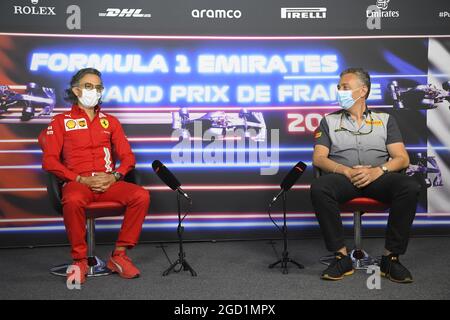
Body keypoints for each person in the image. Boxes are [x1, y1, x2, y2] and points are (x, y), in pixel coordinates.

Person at [39, 68, 150, 284]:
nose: (95, 91)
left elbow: (128, 157)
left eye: (98, 87)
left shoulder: (111, 121)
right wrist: (79, 179)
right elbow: (49, 161)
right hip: (78, 182)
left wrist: (115, 176)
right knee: (72, 199)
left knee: (141, 195)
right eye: (89, 86)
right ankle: (80, 260)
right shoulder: (61, 121)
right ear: (76, 90)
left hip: (109, 181)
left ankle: (118, 256)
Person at [311, 67, 421, 283]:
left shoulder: (385, 120)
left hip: (379, 177)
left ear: (363, 91)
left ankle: (391, 259)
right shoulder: (329, 121)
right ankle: (341, 257)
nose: (339, 91)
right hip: (343, 178)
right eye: (338, 87)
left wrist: (377, 171)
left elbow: (402, 158)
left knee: (410, 187)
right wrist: (346, 171)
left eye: (345, 87)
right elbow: (319, 158)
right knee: (319, 187)